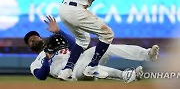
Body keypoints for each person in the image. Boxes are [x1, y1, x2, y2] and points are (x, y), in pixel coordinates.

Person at [24, 15, 159, 82]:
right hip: (73, 73)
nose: (34, 39)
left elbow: (77, 46)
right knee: (86, 69)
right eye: (30, 40)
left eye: (35, 37)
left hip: (81, 58)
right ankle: (126, 75)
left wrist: (59, 32)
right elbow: (41, 76)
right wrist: (47, 58)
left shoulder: (55, 45)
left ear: (41, 38)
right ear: (29, 47)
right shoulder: (35, 63)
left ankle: (147, 54)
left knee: (107, 47)